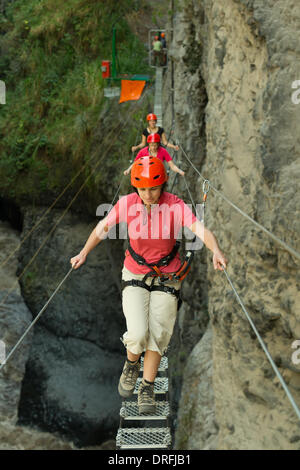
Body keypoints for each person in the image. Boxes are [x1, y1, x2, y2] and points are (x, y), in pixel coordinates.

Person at [70, 156, 228, 415]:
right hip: (135, 273)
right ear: (135, 188)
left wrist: (216, 251)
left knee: (159, 333)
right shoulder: (127, 204)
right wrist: (83, 252)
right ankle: (132, 363)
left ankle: (147, 386)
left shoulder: (175, 205)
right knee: (138, 333)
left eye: (153, 188)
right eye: (142, 189)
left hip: (168, 276)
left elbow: (200, 230)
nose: (148, 194)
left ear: (163, 185)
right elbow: (102, 227)